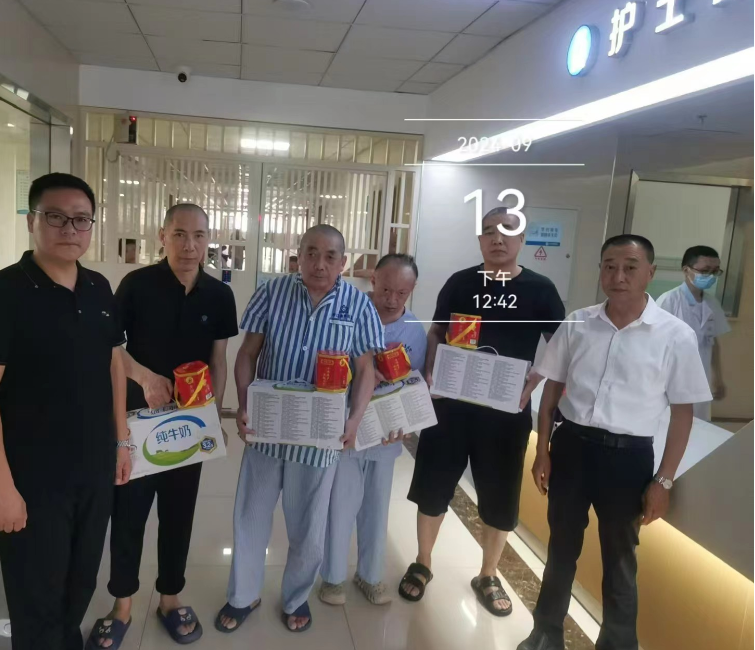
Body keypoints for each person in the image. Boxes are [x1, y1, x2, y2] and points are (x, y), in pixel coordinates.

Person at [0, 173, 130, 650]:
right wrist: (1, 489)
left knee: (79, 586)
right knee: (36, 601)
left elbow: (113, 365)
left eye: (81, 219)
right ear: (31, 221)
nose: (69, 229)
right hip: (33, 478)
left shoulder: (99, 288)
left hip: (93, 469)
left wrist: (121, 440)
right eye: (56, 217)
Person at [518, 235, 712, 650]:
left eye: (629, 267)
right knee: (561, 549)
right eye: (609, 266)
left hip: (628, 460)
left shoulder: (674, 335)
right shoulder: (578, 323)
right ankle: (545, 634)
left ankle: (618, 644)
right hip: (571, 449)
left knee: (621, 562)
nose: (618, 276)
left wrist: (663, 481)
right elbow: (553, 388)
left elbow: (683, 414)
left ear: (650, 273)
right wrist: (543, 450)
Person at [217, 224, 383, 634]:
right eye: (311, 253)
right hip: (268, 429)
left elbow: (365, 370)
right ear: (299, 255)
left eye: (330, 256)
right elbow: (248, 353)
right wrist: (244, 402)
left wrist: (355, 419)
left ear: (343, 263)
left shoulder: (358, 306)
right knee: (250, 516)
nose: (319, 264)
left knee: (309, 526)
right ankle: (243, 595)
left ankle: (295, 597)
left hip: (319, 437)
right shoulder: (271, 292)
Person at [400, 207, 565, 616]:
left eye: (507, 231)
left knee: (500, 495)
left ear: (522, 239)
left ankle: (488, 574)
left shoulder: (541, 289)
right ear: (479, 240)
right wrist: (432, 368)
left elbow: (561, 347)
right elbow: (437, 331)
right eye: (489, 231)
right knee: (433, 486)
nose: (497, 238)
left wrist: (537, 378)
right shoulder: (461, 282)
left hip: (506, 414)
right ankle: (423, 562)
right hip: (450, 407)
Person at [87, 204, 238, 648]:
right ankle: (122, 605)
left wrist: (214, 417)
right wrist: (146, 379)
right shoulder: (136, 286)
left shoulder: (219, 295)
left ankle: (170, 597)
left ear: (208, 240)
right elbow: (112, 350)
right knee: (129, 515)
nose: (190, 245)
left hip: (190, 427)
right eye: (180, 234)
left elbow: (218, 361)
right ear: (162, 237)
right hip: (137, 424)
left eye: (199, 236)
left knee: (179, 514)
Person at [319, 254, 427, 606]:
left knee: (377, 509)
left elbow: (415, 383)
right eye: (385, 290)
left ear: (411, 290)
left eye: (401, 293)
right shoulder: (349, 315)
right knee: (340, 505)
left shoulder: (414, 330)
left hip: (386, 434)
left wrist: (407, 423)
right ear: (373, 281)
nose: (392, 299)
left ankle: (370, 576)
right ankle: (333, 578)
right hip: (347, 429)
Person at [656, 245, 730, 421]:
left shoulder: (712, 304)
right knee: (671, 425)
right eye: (705, 271)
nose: (711, 276)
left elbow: (713, 344)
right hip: (671, 379)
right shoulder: (669, 300)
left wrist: (718, 377)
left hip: (702, 378)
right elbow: (653, 344)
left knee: (699, 427)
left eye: (715, 271)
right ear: (686, 270)